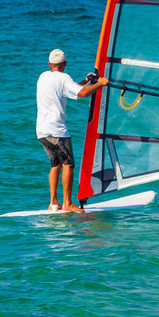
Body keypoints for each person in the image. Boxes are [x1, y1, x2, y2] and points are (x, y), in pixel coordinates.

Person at [37, 49, 108, 212]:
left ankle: (53, 202)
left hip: (42, 131)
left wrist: (87, 81)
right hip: (57, 131)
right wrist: (100, 84)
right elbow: (82, 93)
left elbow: (72, 89)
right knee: (68, 164)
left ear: (49, 64)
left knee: (56, 164)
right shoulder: (64, 78)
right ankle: (67, 203)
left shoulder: (43, 77)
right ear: (65, 64)